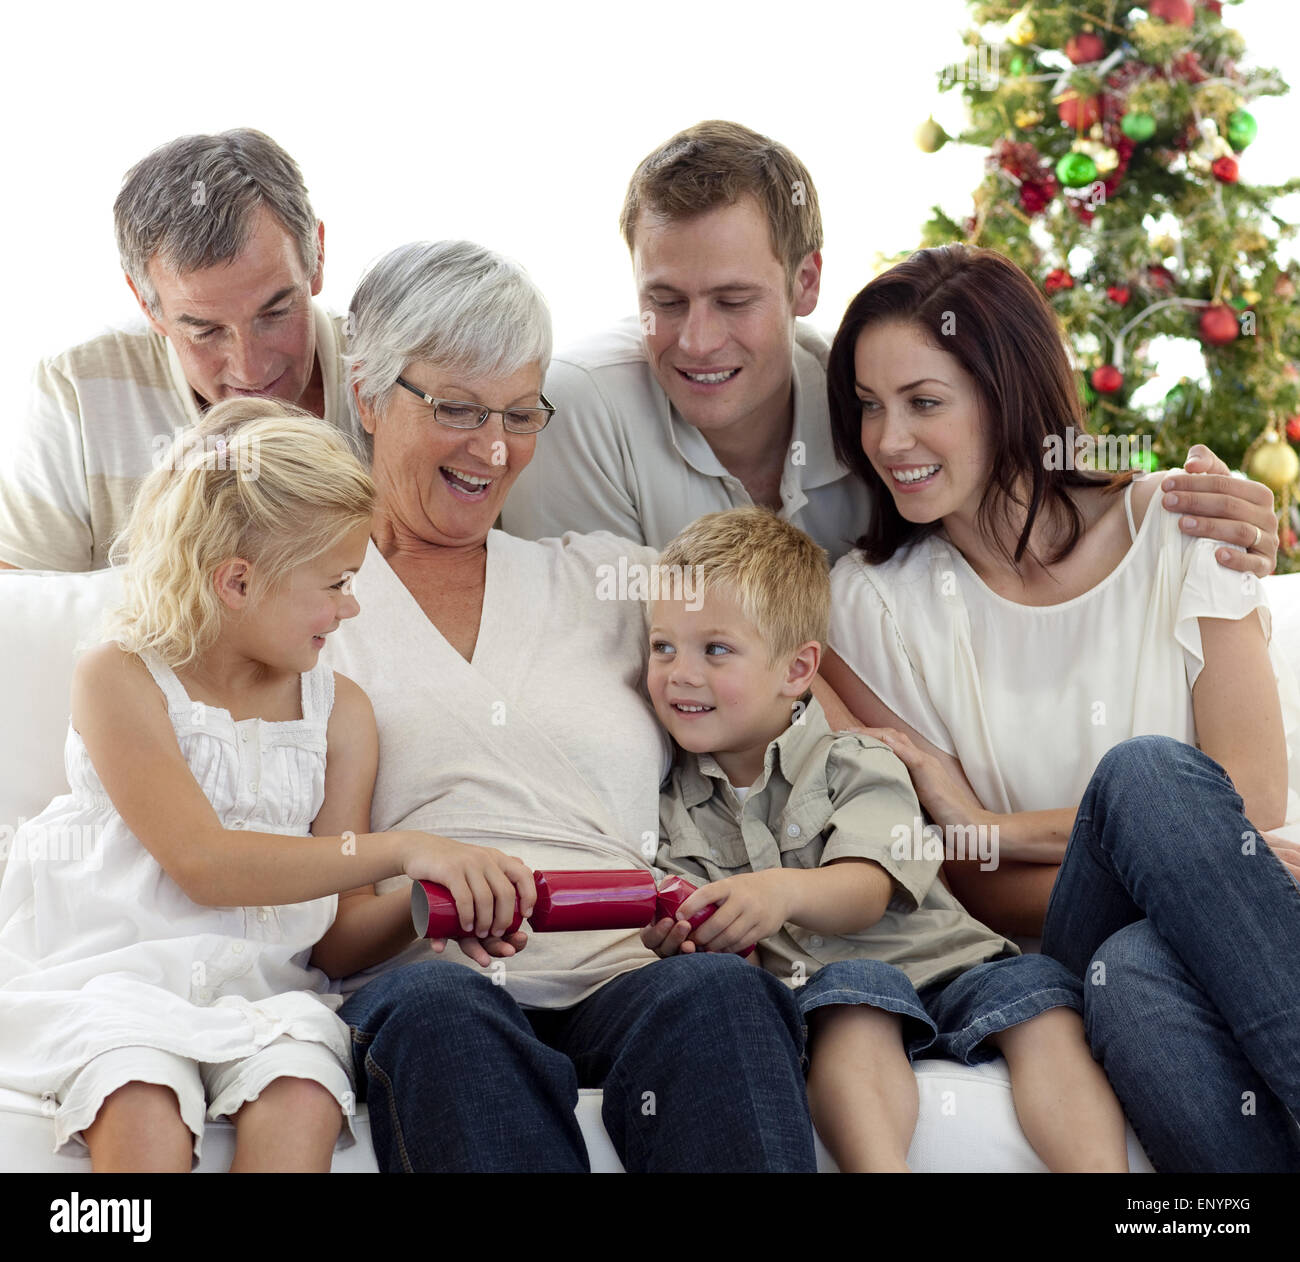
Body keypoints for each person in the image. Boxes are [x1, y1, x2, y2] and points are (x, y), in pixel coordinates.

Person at [318, 239, 817, 1173]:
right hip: (429, 985)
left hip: (622, 972)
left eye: (519, 413)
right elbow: (320, 910)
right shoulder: (312, 606)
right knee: (440, 1012)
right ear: (369, 396)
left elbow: (775, 646)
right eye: (458, 408)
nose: (495, 448)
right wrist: (426, 895)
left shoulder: (605, 575)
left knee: (719, 995)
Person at [821, 243, 1300, 1171]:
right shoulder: (871, 604)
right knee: (1149, 777)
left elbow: (1253, 797)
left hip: (1124, 958)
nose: (887, 441)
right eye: (869, 408)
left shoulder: (1179, 523)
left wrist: (992, 824)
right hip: (1055, 938)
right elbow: (977, 888)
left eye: (924, 403)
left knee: (1137, 976)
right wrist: (1154, 857)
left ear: (1011, 396)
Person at [0, 399, 534, 1171]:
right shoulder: (120, 677)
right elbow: (205, 864)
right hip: (112, 977)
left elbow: (336, 937)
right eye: (336, 583)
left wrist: (431, 905)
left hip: (262, 998)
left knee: (302, 1090)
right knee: (141, 1093)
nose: (350, 607)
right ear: (239, 582)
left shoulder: (341, 714)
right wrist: (405, 850)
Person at [501, 119, 1282, 577]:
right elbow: (594, 667)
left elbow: (1020, 499)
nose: (696, 341)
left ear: (807, 282)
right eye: (663, 302)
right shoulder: (578, 405)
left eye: (735, 301)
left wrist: (1190, 514)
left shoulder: (876, 401)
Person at [639, 506, 1129, 1172]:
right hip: (835, 992)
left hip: (952, 964)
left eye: (714, 649)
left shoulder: (857, 760)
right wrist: (697, 939)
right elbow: (730, 954)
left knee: (1041, 1005)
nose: (679, 673)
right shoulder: (675, 808)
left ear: (796, 669)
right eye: (662, 647)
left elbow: (869, 888)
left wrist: (780, 891)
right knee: (852, 1001)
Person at [0, 129, 356, 572]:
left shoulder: (392, 374)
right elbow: (22, 613)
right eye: (206, 331)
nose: (251, 368)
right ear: (148, 305)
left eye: (276, 312)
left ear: (316, 257)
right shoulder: (76, 391)